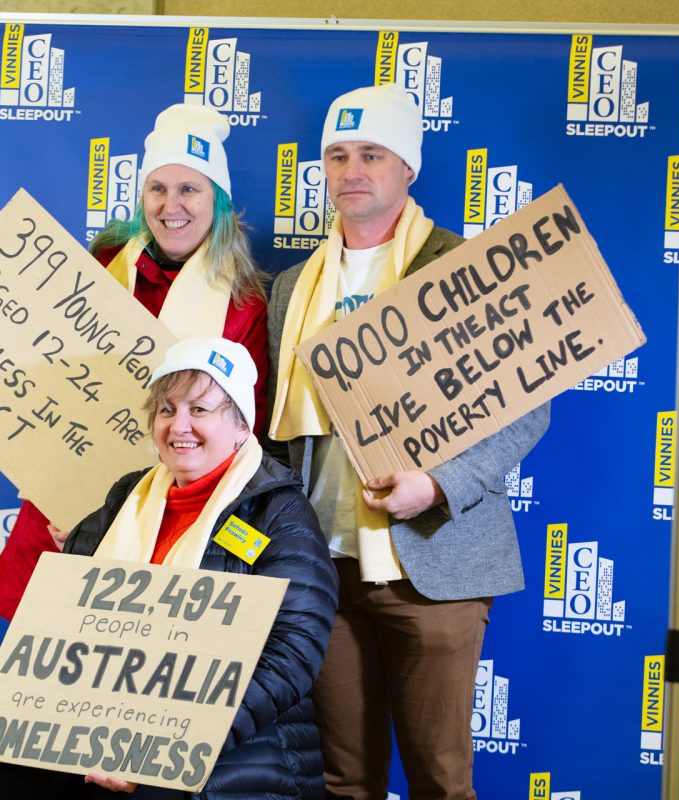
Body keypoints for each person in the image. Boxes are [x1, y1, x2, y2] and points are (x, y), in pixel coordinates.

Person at [266, 84, 550, 800]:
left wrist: (439, 484)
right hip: (325, 567)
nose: (350, 169)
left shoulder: (467, 267)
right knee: (345, 780)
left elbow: (526, 411)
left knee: (441, 781)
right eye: (336, 155)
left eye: (371, 153)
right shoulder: (292, 286)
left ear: (408, 168)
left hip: (435, 559)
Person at [0, 337, 337, 799]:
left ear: (240, 425)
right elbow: (50, 627)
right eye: (167, 410)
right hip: (93, 730)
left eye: (200, 409)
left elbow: (290, 655)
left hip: (235, 747)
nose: (180, 426)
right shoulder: (121, 503)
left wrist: (170, 746)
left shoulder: (280, 514)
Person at [0, 103, 270, 621]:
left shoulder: (243, 304)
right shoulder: (105, 261)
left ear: (217, 201)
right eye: (157, 188)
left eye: (189, 189)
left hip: (168, 515)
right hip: (64, 489)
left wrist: (110, 515)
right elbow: (30, 342)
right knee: (42, 645)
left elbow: (245, 428)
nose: (170, 205)